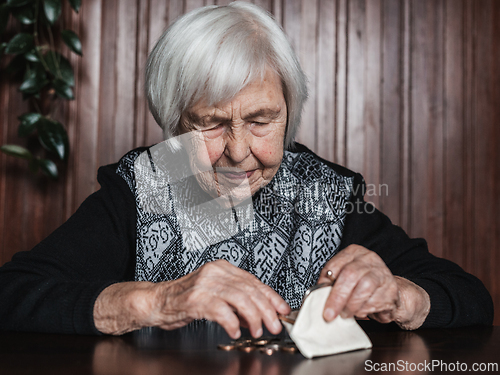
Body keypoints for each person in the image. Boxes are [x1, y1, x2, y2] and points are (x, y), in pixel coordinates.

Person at [0, 2, 493, 338]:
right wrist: (156, 302)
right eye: (210, 125)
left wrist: (401, 296)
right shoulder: (141, 189)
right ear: (173, 126)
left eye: (261, 121)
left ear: (288, 113)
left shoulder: (326, 194)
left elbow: (472, 300)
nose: (239, 153)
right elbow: (13, 294)